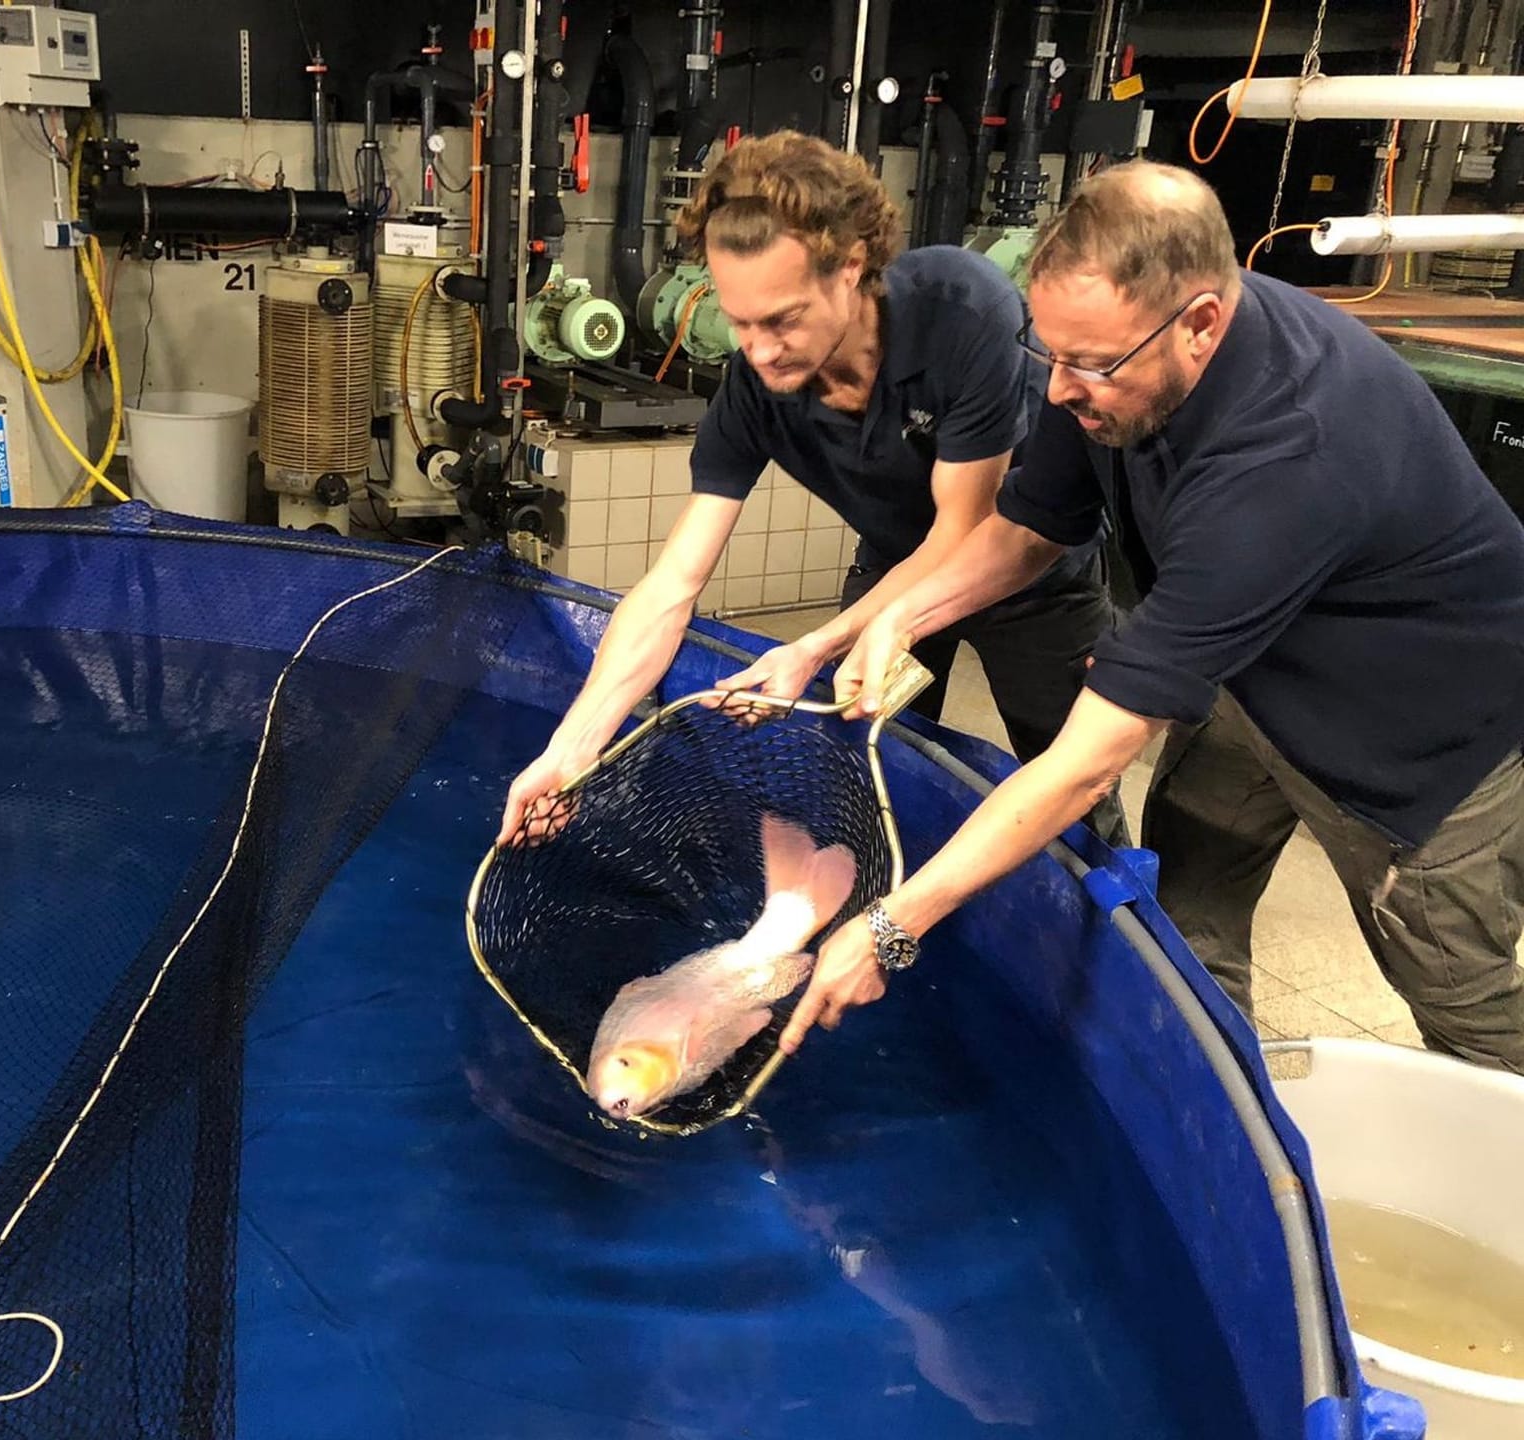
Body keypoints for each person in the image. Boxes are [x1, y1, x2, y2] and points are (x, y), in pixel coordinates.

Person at [791, 159, 1524, 1073]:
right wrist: (896, 621)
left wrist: (890, 932)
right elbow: (1028, 528)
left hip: (1418, 740)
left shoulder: (1290, 455)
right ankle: (1227, 1113)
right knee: (1190, 913)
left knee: (1465, 1004)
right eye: (1048, 352)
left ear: (1202, 324)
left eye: (1088, 364)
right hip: (1258, 675)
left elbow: (1083, 765)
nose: (1058, 389)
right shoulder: (1113, 357)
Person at [497, 129, 1128, 849]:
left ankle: (1117, 920)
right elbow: (673, 582)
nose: (760, 351)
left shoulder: (964, 312)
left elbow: (964, 535)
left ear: (851, 267)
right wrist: (572, 747)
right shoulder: (755, 388)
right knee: (858, 762)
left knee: (1073, 781)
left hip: (1029, 572)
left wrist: (813, 647)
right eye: (739, 324)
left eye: (783, 319)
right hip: (896, 561)